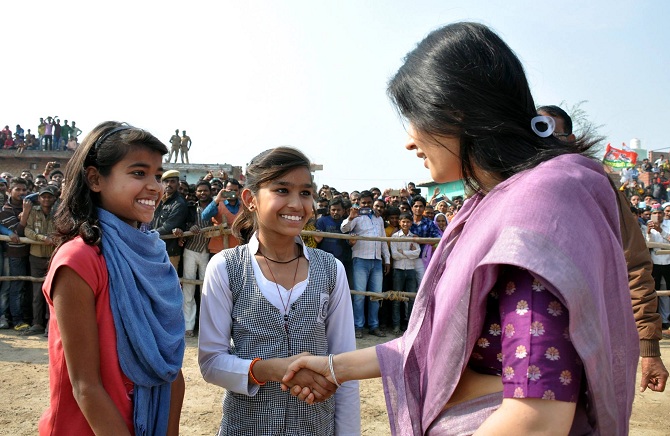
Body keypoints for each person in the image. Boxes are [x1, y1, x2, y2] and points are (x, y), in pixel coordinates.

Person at [283, 22, 637, 435]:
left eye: (415, 117)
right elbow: (435, 348)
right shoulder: (489, 205)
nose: (410, 141)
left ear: (456, 112)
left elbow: (537, 417)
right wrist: (333, 367)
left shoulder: (535, 210)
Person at [198, 146, 360, 435]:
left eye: (306, 193)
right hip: (246, 426)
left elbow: (344, 366)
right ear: (250, 199)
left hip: (315, 426)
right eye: (282, 190)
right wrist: (273, 368)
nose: (297, 204)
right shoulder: (226, 267)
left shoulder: (331, 269)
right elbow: (211, 362)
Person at [39, 121, 185, 435]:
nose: (155, 186)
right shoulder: (78, 261)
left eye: (158, 175)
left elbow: (171, 369)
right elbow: (86, 386)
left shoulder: (155, 257)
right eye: (138, 173)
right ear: (95, 179)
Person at [539, 105, 669, 392]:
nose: (541, 140)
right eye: (535, 128)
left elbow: (633, 264)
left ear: (570, 141)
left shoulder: (596, 187)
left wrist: (648, 348)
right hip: (524, 341)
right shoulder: (507, 190)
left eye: (549, 130)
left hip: (588, 341)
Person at [341, 190, 391, 338]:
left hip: (376, 261)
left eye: (369, 203)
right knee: (359, 296)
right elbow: (343, 229)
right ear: (358, 203)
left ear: (372, 202)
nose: (366, 205)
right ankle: (358, 326)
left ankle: (374, 326)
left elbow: (382, 240)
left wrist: (386, 259)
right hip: (360, 260)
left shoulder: (378, 218)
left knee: (376, 296)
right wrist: (350, 217)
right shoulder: (356, 216)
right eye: (363, 203)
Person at [23, 185, 58, 336]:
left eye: (49, 196)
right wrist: (43, 238)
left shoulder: (58, 213)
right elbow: (27, 230)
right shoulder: (33, 212)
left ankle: (50, 325)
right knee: (37, 293)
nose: (46, 199)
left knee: (52, 293)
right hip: (36, 257)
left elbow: (62, 230)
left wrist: (53, 238)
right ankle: (37, 323)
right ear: (39, 198)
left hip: (53, 257)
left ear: (54, 198)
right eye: (43, 196)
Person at [389, 213, 420, 335]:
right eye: (403, 222)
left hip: (411, 269)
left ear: (411, 223)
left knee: (411, 298)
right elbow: (395, 255)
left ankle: (409, 325)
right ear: (400, 222)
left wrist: (403, 251)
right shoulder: (395, 236)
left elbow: (417, 253)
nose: (405, 224)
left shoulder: (414, 237)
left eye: (408, 222)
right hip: (398, 269)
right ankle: (396, 325)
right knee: (397, 298)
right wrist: (409, 252)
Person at [151, 170, 188, 269]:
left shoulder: (179, 203)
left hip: (170, 250)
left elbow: (168, 226)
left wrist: (149, 234)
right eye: (166, 181)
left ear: (178, 183)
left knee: (168, 282)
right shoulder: (160, 199)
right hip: (156, 247)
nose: (169, 184)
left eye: (172, 181)